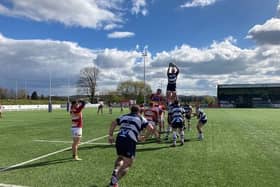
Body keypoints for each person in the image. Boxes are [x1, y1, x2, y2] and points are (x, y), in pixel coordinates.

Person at [108, 105, 154, 187]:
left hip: (120, 138)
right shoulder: (140, 117)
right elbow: (150, 128)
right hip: (129, 140)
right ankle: (114, 182)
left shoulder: (124, 116)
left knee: (121, 157)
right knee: (128, 163)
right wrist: (145, 137)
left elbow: (113, 122)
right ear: (139, 111)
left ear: (130, 110)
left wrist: (111, 135)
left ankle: (115, 171)